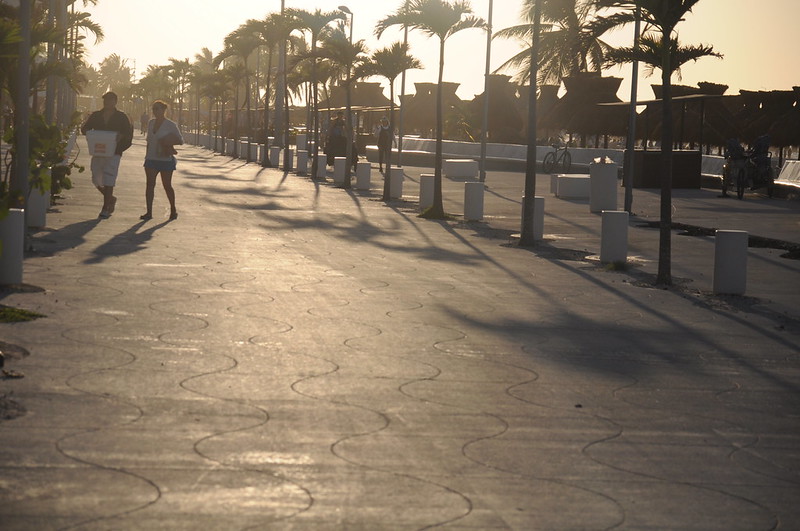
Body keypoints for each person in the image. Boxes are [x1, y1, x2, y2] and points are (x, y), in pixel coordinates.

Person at [81, 91, 134, 219]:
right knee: (96, 178)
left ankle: (105, 208)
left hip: (114, 152)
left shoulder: (121, 117)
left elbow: (128, 134)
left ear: (115, 102)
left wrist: (121, 140)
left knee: (109, 178)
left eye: (110, 100)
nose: (107, 102)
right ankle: (110, 198)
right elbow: (85, 129)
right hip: (98, 151)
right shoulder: (96, 115)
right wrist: (88, 133)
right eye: (105, 100)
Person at [141, 100, 183, 221]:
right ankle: (149, 212)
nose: (155, 111)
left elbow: (180, 140)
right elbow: (149, 140)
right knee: (150, 185)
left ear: (164, 110)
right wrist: (147, 156)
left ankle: (173, 209)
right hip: (151, 159)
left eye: (158, 109)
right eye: (154, 109)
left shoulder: (171, 125)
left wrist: (168, 141)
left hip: (165, 159)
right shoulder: (150, 123)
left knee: (167, 186)